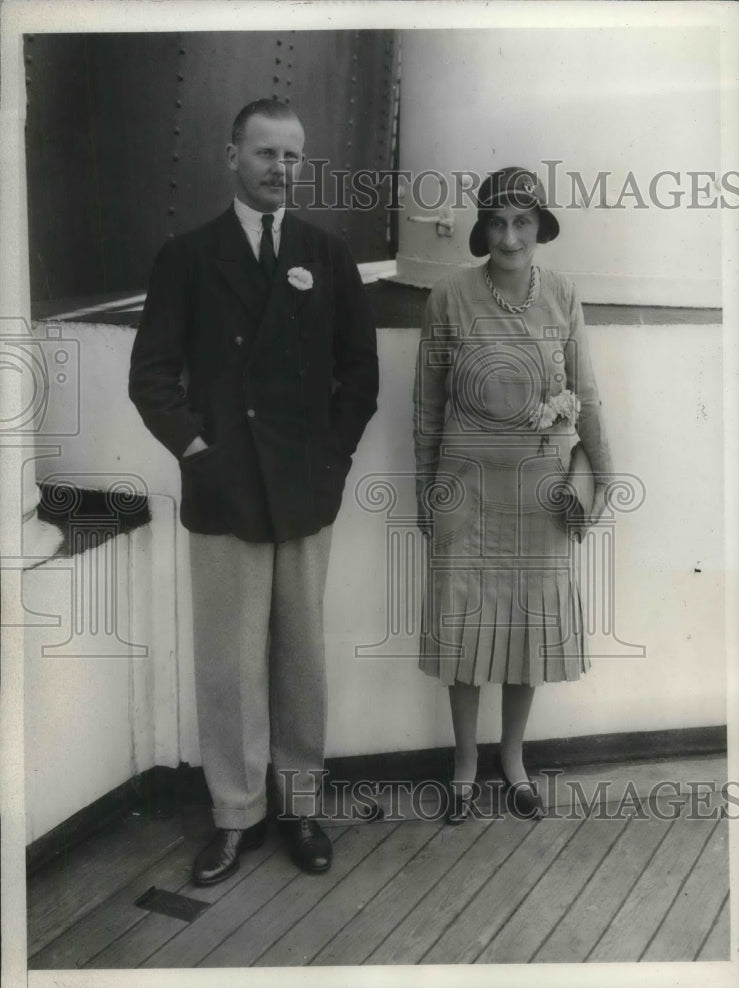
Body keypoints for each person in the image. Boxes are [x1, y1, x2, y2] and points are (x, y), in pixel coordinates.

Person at [129, 99, 378, 880]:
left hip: (304, 490)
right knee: (230, 663)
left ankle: (300, 808)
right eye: (267, 153)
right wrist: (200, 452)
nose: (281, 169)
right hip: (225, 491)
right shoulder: (187, 254)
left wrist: (329, 460)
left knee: (300, 656)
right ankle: (236, 815)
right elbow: (152, 377)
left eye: (294, 156)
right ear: (230, 154)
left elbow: (359, 377)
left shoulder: (326, 253)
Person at [413, 167, 611, 823]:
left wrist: (602, 479)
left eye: (522, 221)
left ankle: (513, 760)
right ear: (481, 229)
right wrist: (426, 491)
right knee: (465, 630)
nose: (509, 235)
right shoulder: (447, 298)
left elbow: (587, 395)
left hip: (541, 494)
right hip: (464, 490)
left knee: (527, 626)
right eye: (496, 221)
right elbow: (425, 407)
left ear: (538, 227)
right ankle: (464, 766)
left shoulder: (562, 295)